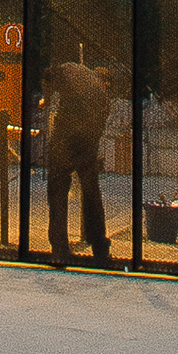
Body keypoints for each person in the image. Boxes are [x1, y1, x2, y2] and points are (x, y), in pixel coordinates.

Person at [38, 51, 114, 265]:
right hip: (88, 140)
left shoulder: (66, 69)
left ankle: (60, 249)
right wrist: (88, 156)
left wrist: (47, 98)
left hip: (67, 134)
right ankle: (100, 247)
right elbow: (97, 130)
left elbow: (48, 80)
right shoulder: (103, 95)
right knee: (91, 191)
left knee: (57, 188)